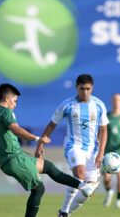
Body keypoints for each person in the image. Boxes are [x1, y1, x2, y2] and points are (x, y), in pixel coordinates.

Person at [0, 83, 99, 217]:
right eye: (15, 101)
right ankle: (83, 187)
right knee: (38, 189)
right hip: (14, 158)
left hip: (10, 160)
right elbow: (16, 129)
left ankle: (83, 186)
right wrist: (38, 139)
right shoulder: (6, 112)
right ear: (7, 98)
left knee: (48, 167)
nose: (15, 104)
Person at [35, 74, 109, 216]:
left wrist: (101, 152)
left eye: (88, 89)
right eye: (82, 89)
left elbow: (104, 130)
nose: (85, 92)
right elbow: (52, 125)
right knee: (80, 175)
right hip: (73, 146)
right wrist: (40, 145)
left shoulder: (99, 105)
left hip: (93, 150)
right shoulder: (67, 105)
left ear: (92, 87)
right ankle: (64, 211)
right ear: (76, 88)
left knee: (88, 190)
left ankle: (65, 213)